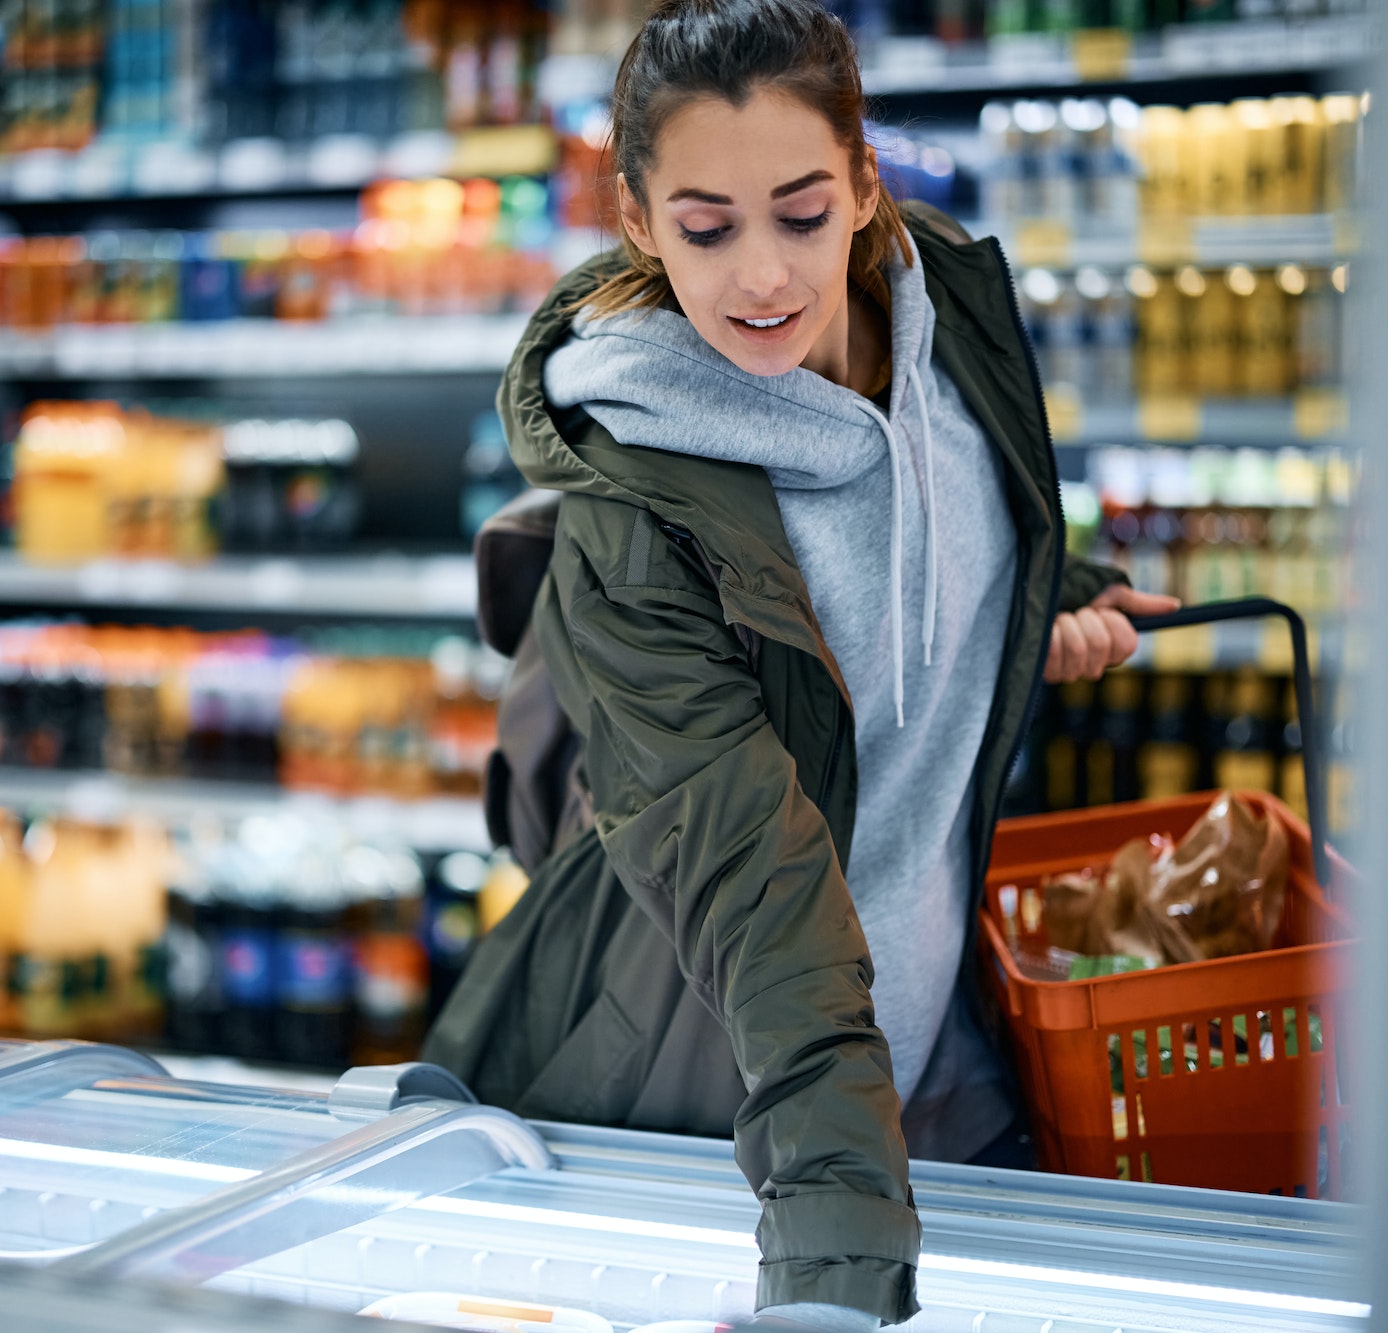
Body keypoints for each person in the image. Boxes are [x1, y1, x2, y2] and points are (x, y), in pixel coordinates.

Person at [421, 0, 1177, 1324]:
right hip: (716, 1109)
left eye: (804, 212)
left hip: (943, 1056)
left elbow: (932, 516)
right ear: (642, 220)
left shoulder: (952, 309)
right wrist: (834, 1262)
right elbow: (756, 890)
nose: (764, 273)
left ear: (867, 186)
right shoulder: (635, 512)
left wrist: (1036, 591)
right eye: (708, 228)